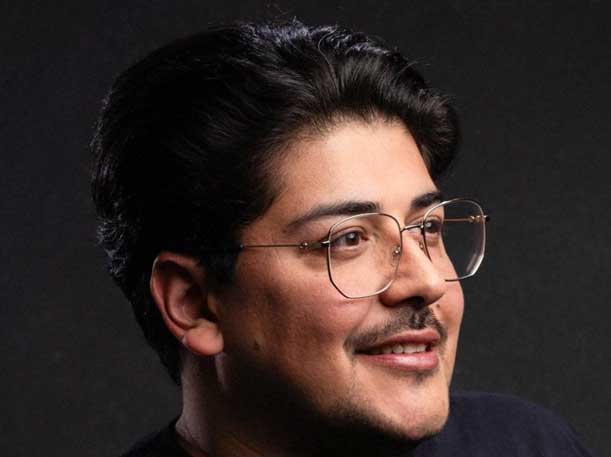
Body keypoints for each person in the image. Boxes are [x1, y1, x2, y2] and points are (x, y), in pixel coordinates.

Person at [91, 20, 595, 457]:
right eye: (348, 239)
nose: (427, 282)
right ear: (194, 303)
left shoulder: (526, 446)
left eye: (428, 228)